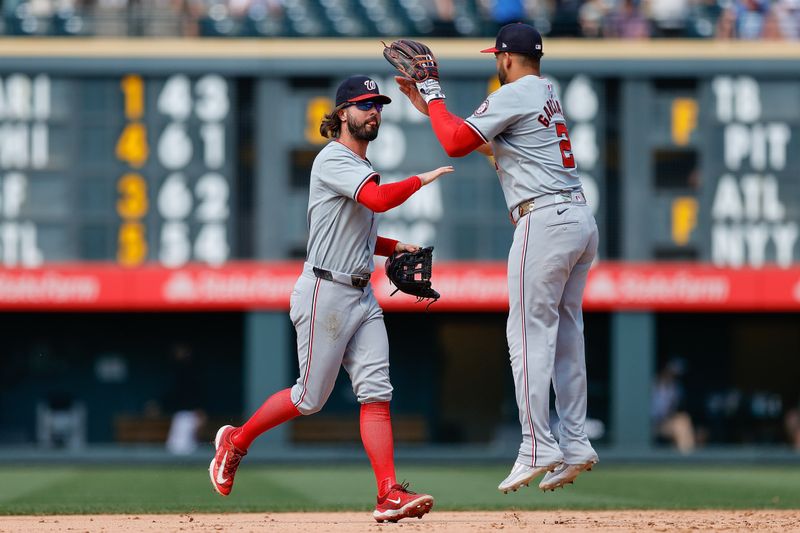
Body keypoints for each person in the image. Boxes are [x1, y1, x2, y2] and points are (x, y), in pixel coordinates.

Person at [208, 75, 452, 523]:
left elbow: (362, 227)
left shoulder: (358, 165)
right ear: (342, 114)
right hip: (326, 290)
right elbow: (377, 200)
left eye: (377, 104)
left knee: (377, 393)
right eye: (363, 105)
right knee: (309, 398)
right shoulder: (334, 159)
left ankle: (387, 494)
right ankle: (235, 442)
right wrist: (421, 178)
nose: (373, 111)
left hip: (362, 294)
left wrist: (395, 248)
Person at [393, 23, 599, 493]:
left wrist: (434, 93)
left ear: (506, 59)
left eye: (496, 58)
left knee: (526, 332)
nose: (495, 64)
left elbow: (455, 143)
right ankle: (575, 441)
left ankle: (536, 444)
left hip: (543, 220)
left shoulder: (517, 91)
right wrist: (433, 110)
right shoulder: (544, 91)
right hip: (578, 220)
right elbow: (491, 148)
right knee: (566, 334)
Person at [651, 359, 696, 454]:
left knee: (682, 421)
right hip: (647, 425)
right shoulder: (651, 384)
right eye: (671, 372)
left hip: (662, 423)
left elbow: (671, 411)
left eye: (675, 374)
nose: (672, 376)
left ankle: (686, 458)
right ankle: (688, 460)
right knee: (681, 423)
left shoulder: (676, 388)